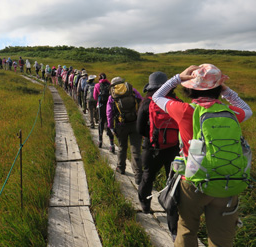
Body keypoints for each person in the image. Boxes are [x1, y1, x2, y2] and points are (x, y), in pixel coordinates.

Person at [152, 64, 253, 247]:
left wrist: (178, 78)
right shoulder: (231, 112)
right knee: (222, 239)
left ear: (189, 89)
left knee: (187, 229)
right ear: (218, 89)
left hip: (193, 182)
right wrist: (226, 91)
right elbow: (248, 110)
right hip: (228, 182)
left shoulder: (184, 111)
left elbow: (157, 96)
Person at [137, 71, 181, 239]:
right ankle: (173, 226)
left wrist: (152, 138)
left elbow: (139, 129)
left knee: (148, 176)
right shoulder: (176, 103)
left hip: (151, 149)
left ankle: (145, 205)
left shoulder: (146, 103)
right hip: (173, 149)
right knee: (173, 183)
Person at [106, 77, 143, 184]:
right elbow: (140, 101)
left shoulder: (112, 95)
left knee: (122, 147)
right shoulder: (132, 90)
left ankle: (121, 168)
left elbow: (109, 113)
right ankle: (138, 175)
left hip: (121, 125)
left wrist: (111, 126)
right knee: (135, 149)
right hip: (135, 123)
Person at [93, 73, 115, 151]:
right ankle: (112, 144)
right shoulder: (110, 85)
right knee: (109, 122)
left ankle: (100, 140)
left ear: (99, 78)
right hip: (110, 105)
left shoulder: (97, 85)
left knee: (101, 122)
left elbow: (95, 97)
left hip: (101, 105)